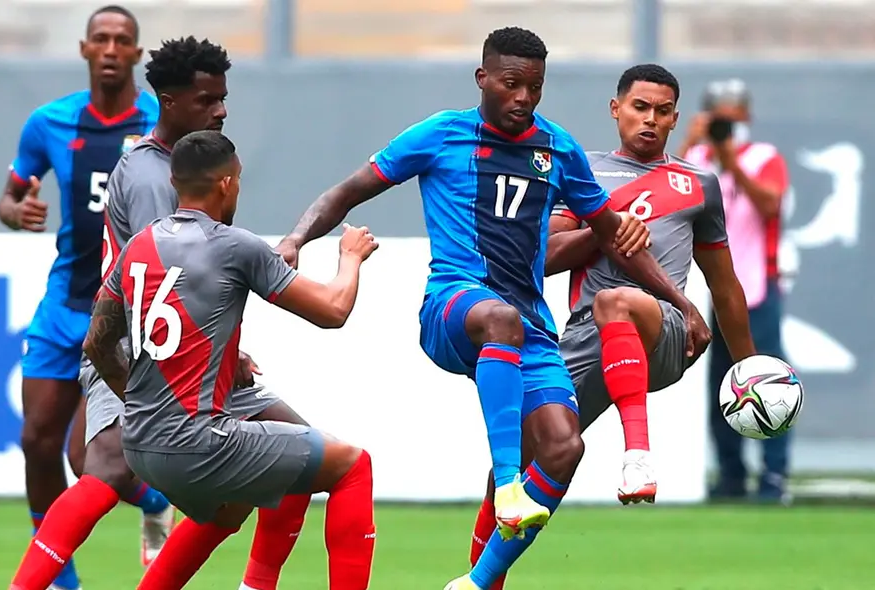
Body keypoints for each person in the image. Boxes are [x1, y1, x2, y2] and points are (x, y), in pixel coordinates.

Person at [275, 26, 709, 581]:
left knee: (562, 447)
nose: (523, 98)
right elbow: (346, 192)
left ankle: (476, 582)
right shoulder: (440, 135)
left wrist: (683, 302)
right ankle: (507, 486)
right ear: (483, 79)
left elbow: (613, 235)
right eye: (511, 84)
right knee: (499, 320)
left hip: (530, 326)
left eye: (535, 87)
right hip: (454, 309)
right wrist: (294, 240)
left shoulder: (558, 148)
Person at [9, 37, 317, 590]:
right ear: (168, 103)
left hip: (162, 344)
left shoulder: (172, 164)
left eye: (223, 98)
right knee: (101, 465)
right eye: (206, 100)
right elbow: (170, 285)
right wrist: (227, 352)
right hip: (149, 349)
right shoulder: (159, 180)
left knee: (298, 460)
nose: (220, 109)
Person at [464, 63, 758, 590]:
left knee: (619, 299)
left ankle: (638, 457)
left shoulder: (698, 185)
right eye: (639, 107)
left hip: (662, 329)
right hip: (581, 341)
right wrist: (605, 227)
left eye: (662, 111)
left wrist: (749, 367)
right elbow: (546, 256)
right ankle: (480, 583)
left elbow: (726, 284)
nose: (649, 120)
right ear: (615, 109)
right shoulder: (579, 171)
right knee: (514, 475)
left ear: (675, 120)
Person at [85, 130, 378, 590]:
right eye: (238, 180)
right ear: (225, 184)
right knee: (351, 465)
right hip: (196, 443)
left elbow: (96, 345)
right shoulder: (235, 246)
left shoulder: (139, 245)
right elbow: (333, 310)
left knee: (243, 496)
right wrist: (350, 257)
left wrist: (140, 402)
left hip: (139, 444)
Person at [0, 6, 168, 589]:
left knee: (89, 463)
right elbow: (9, 195)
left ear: (139, 54)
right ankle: (62, 580)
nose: (113, 48)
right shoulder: (49, 123)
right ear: (85, 49)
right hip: (64, 305)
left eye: (123, 40)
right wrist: (18, 211)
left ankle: (151, 502)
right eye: (102, 39)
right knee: (35, 442)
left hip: (126, 317)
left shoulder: (158, 124)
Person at [680, 79, 792, 502]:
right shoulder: (695, 159)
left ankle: (774, 476)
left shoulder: (764, 158)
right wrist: (692, 144)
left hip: (754, 285)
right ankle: (731, 476)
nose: (728, 124)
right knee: (721, 386)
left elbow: (770, 205)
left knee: (768, 380)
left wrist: (733, 162)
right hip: (703, 291)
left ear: (747, 116)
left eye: (734, 115)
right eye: (719, 116)